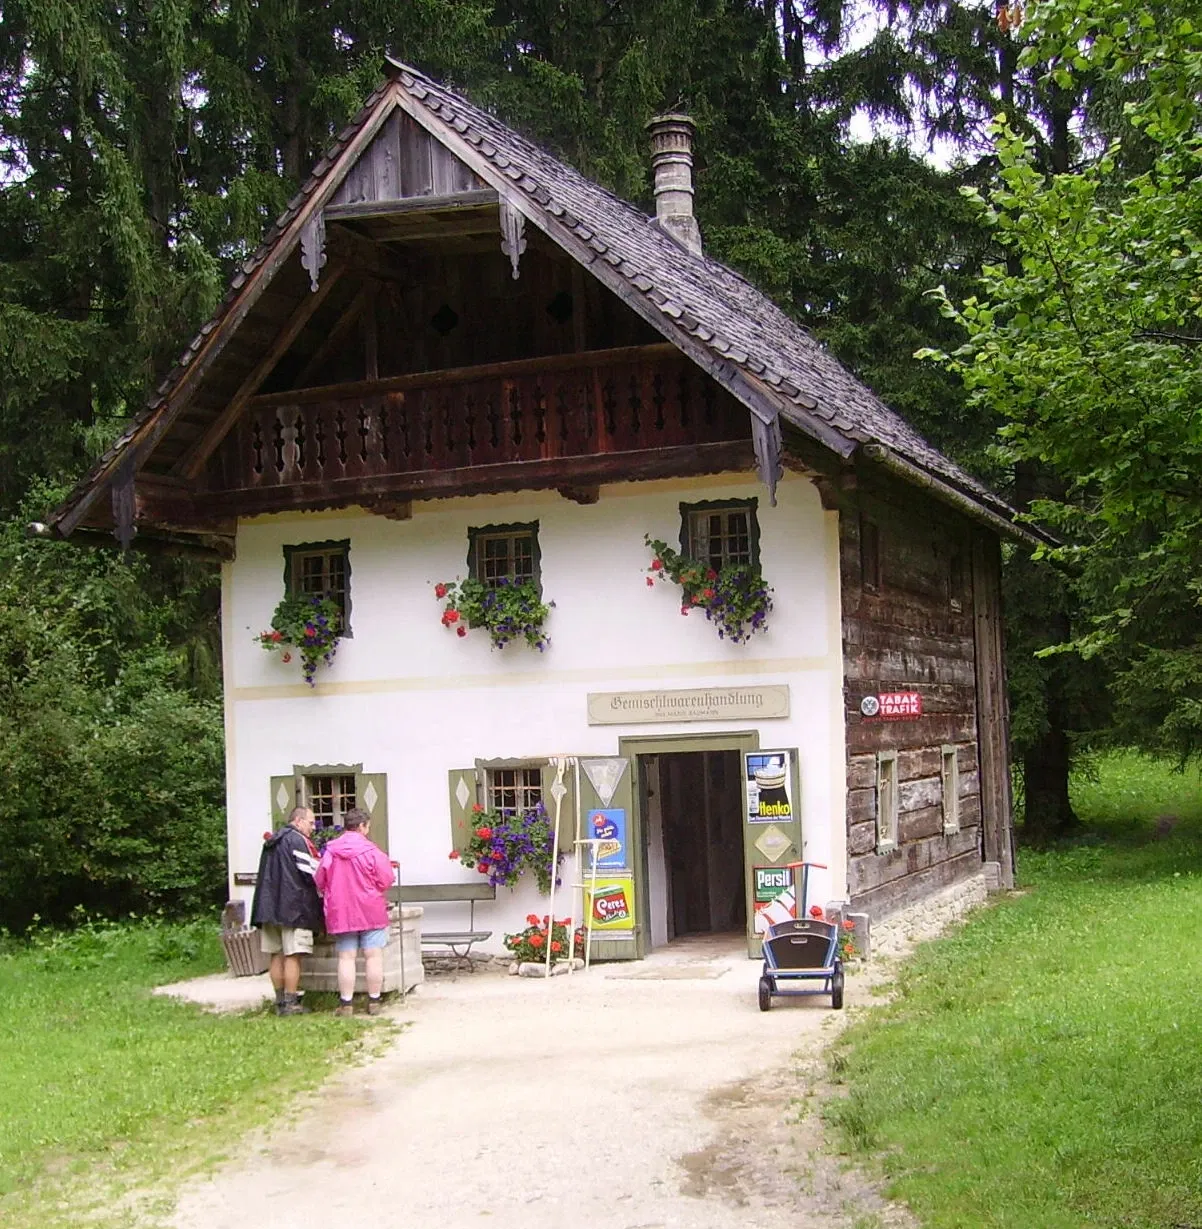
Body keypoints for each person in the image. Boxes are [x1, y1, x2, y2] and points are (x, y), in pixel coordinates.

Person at [314, 808, 395, 1016]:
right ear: (361, 826)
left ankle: (346, 1004)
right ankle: (374, 1001)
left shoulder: (331, 851)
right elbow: (386, 879)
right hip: (370, 908)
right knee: (373, 956)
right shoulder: (372, 851)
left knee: (346, 957)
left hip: (341, 910)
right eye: (367, 826)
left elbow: (320, 879)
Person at [251, 805, 323, 1016]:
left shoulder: (271, 842)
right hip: (293, 907)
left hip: (268, 907)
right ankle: (291, 1003)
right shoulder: (297, 840)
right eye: (310, 823)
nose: (313, 828)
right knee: (293, 955)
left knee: (275, 955)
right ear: (298, 821)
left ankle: (279, 1001)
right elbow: (311, 873)